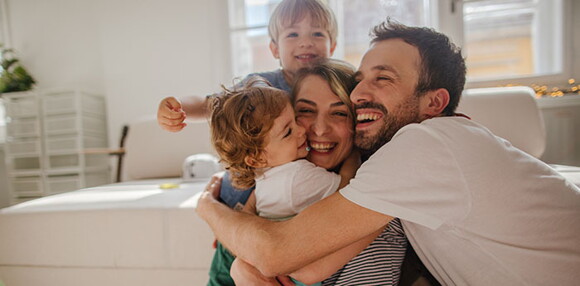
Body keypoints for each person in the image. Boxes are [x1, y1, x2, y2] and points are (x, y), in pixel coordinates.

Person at [196, 20, 580, 285]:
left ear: (435, 102)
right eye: (360, 80)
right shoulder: (402, 162)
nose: (360, 92)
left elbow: (282, 256)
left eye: (383, 78)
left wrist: (208, 208)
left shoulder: (426, 144)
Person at [209, 60, 408, 286]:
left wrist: (212, 211)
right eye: (304, 111)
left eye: (340, 113)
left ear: (357, 120)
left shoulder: (374, 211)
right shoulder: (253, 207)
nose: (317, 129)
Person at [157, 0, 338, 132]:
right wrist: (178, 108)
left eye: (317, 34)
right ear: (275, 49)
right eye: (292, 35)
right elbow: (210, 104)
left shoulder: (341, 86)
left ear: (333, 47)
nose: (306, 42)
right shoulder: (259, 84)